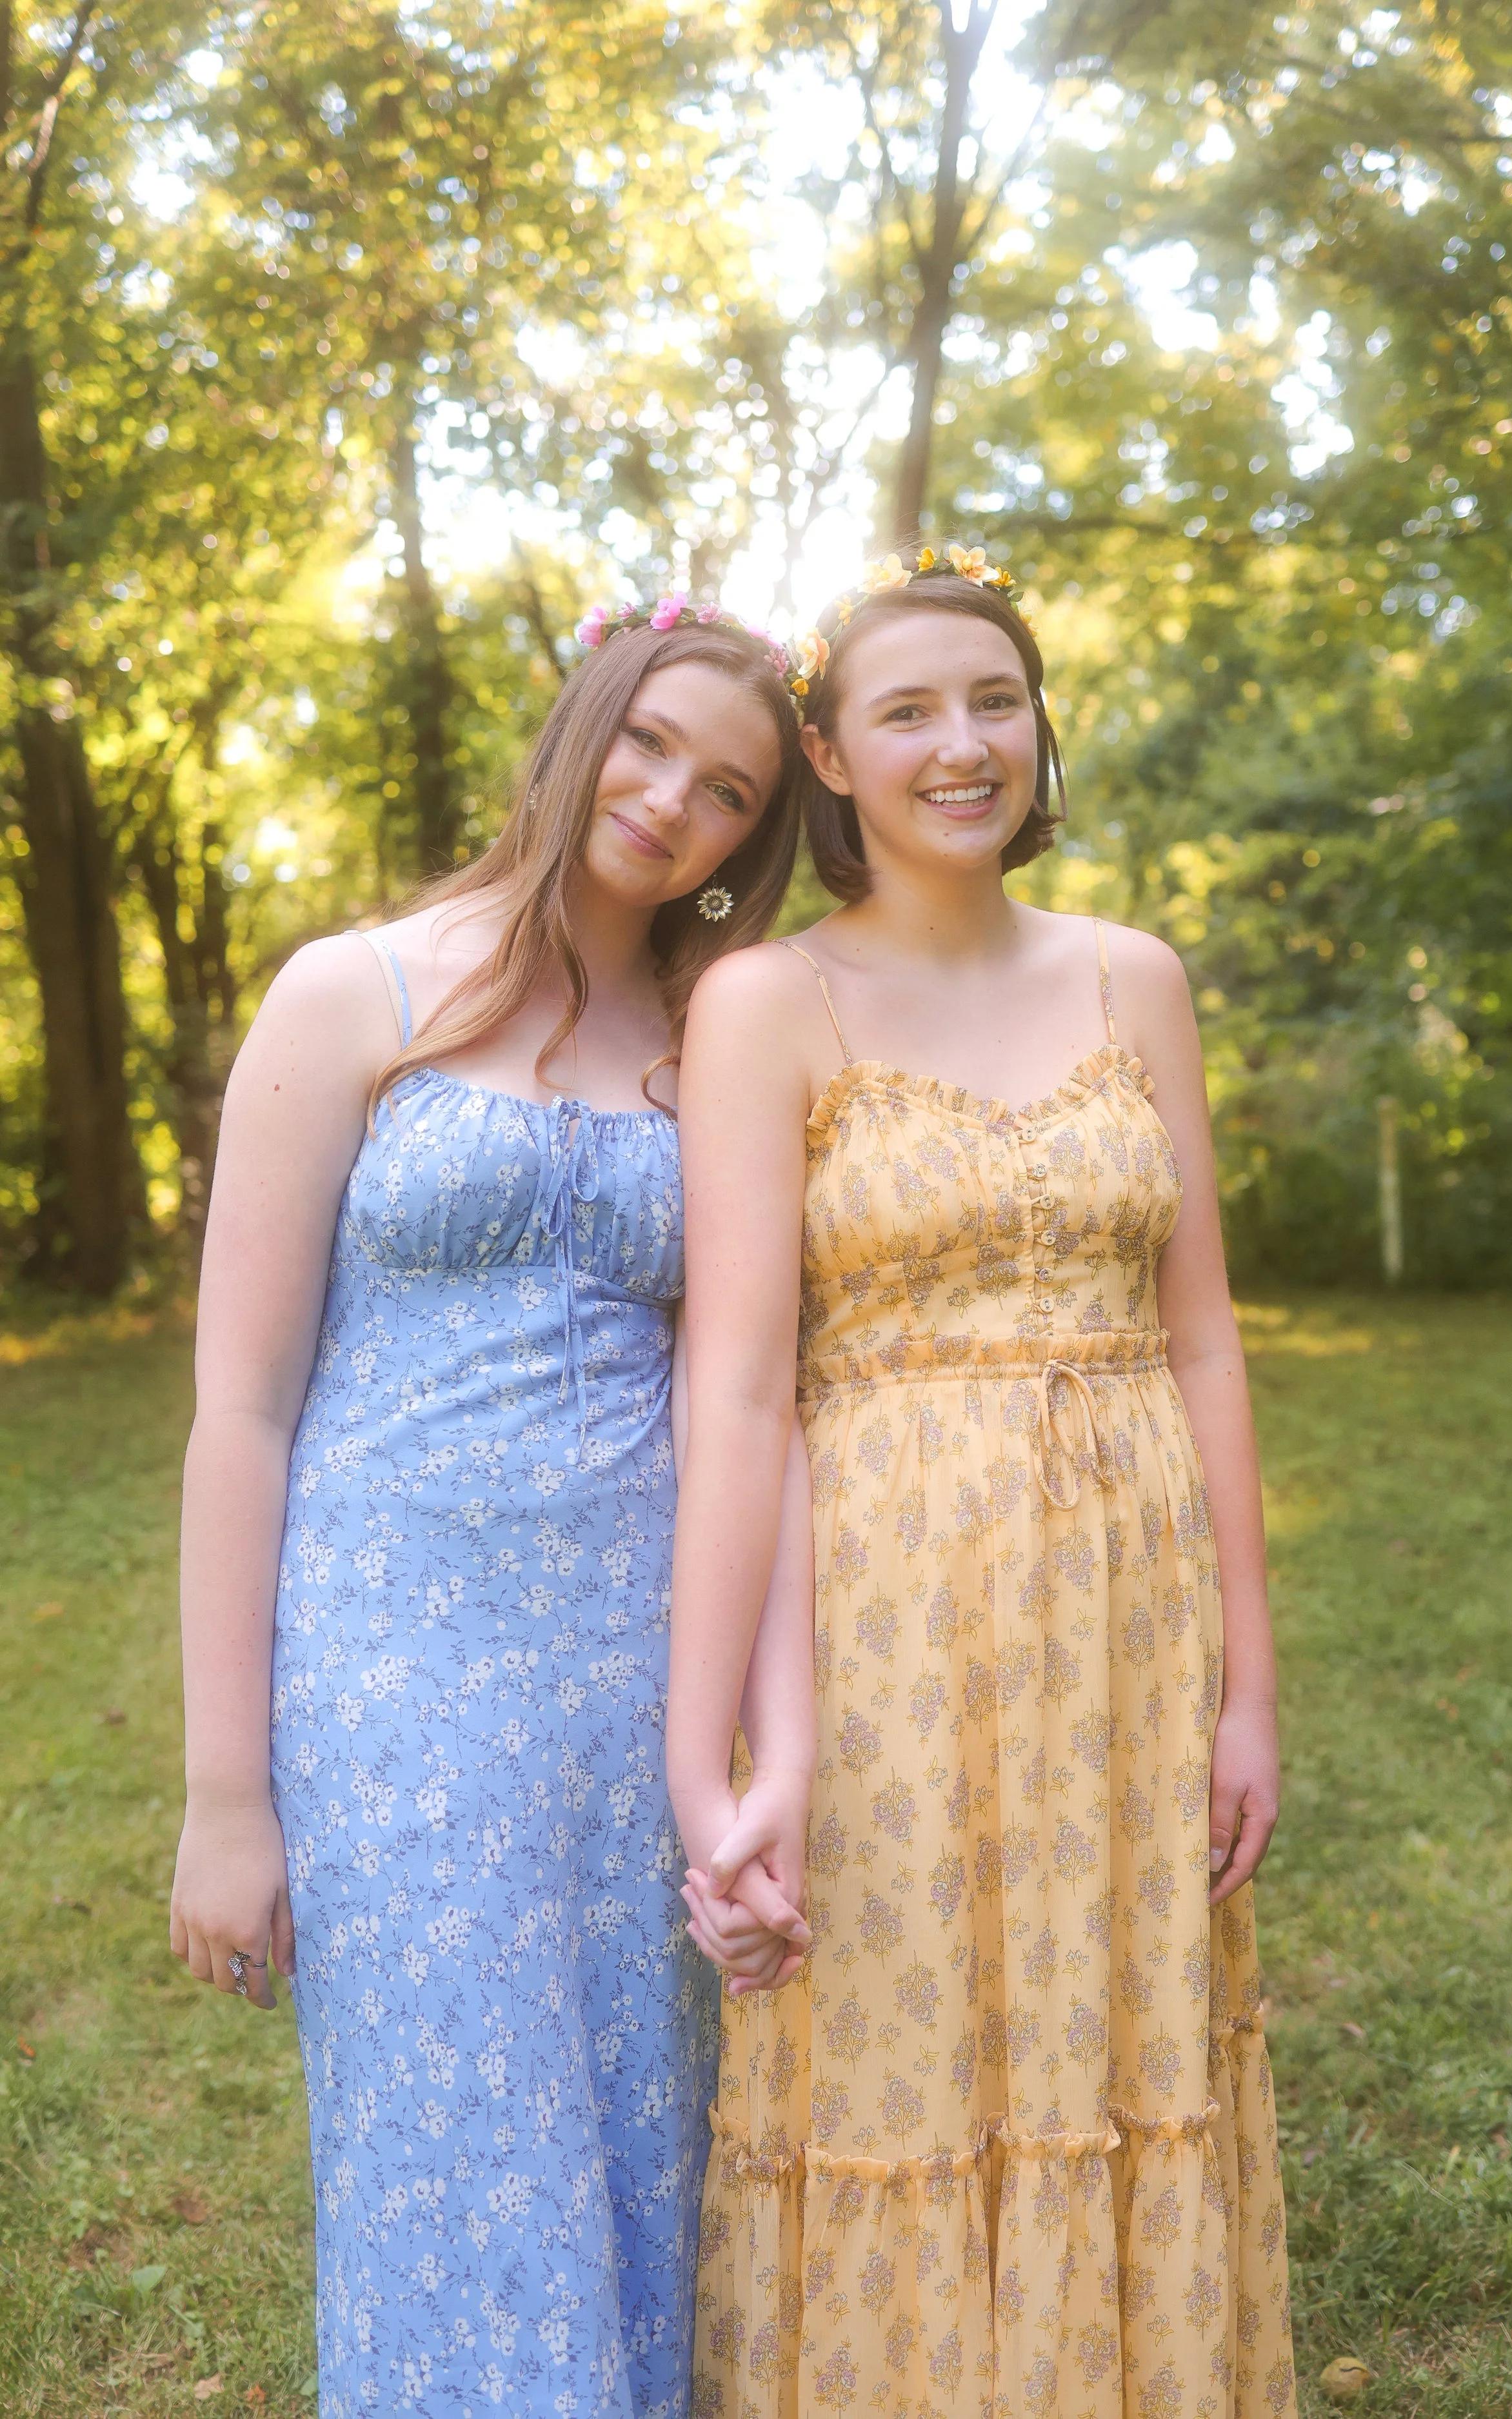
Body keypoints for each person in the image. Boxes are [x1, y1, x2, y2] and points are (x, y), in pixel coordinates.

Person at [169, 599, 813, 2419]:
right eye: (652, 741)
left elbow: (752, 1385)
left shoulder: (717, 1043)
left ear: (746, 843)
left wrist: (752, 1730)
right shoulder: (354, 989)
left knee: (628, 2151)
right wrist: (230, 1794)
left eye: (727, 790)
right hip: (390, 1683)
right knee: (446, 2162)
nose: (672, 798)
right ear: (582, 722)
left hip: (630, 1682)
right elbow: (240, 1409)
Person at [669, 546, 1294, 2417]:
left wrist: (1248, 1684)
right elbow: (741, 1385)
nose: (963, 744)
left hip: (1129, 1597)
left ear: (1037, 726)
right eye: (909, 710)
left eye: (995, 700)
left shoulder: (1133, 977)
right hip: (884, 1610)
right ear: (829, 757)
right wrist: (703, 1750)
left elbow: (1201, 1340)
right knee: (899, 2042)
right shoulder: (764, 1002)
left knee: (1123, 2038)